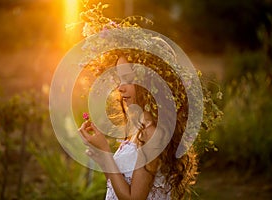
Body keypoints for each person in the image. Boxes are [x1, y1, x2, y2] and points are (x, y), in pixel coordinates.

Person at [78, 52, 198, 199]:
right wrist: (103, 159)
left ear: (149, 84)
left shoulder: (153, 134)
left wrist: (104, 149)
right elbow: (118, 184)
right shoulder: (135, 127)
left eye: (128, 79)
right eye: (119, 79)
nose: (120, 87)